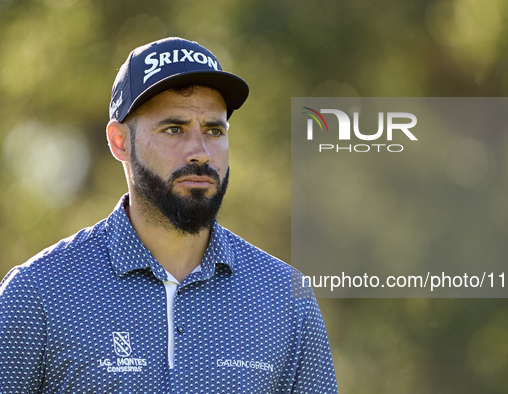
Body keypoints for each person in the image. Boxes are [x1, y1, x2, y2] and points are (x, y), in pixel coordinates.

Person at [0, 37, 337, 393]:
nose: (201, 153)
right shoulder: (37, 294)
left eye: (214, 130)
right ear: (119, 141)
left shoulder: (284, 297)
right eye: (174, 129)